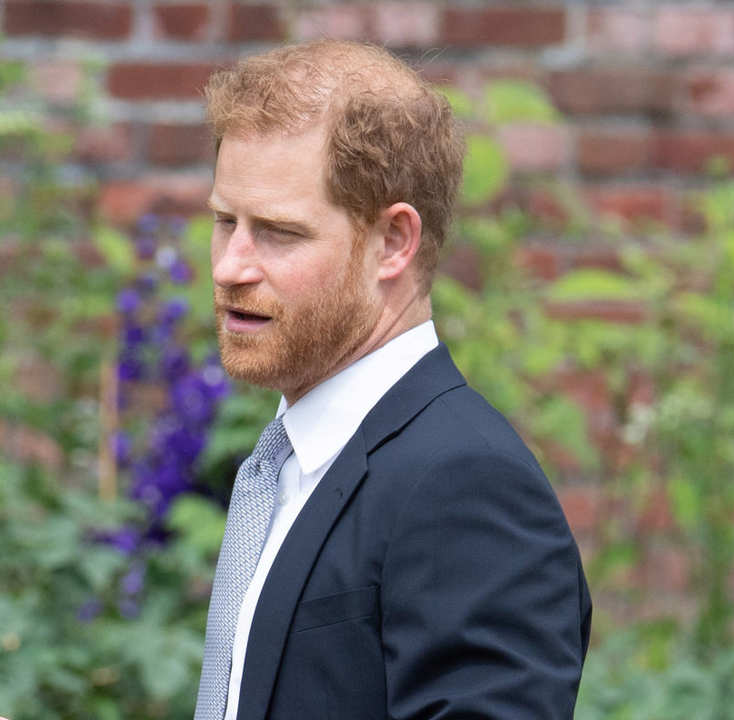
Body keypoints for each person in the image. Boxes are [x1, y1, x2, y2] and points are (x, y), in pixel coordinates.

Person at [193, 40, 591, 720]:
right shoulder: (285, 467)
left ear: (394, 243)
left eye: (279, 232)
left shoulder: (465, 482)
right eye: (226, 221)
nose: (232, 265)